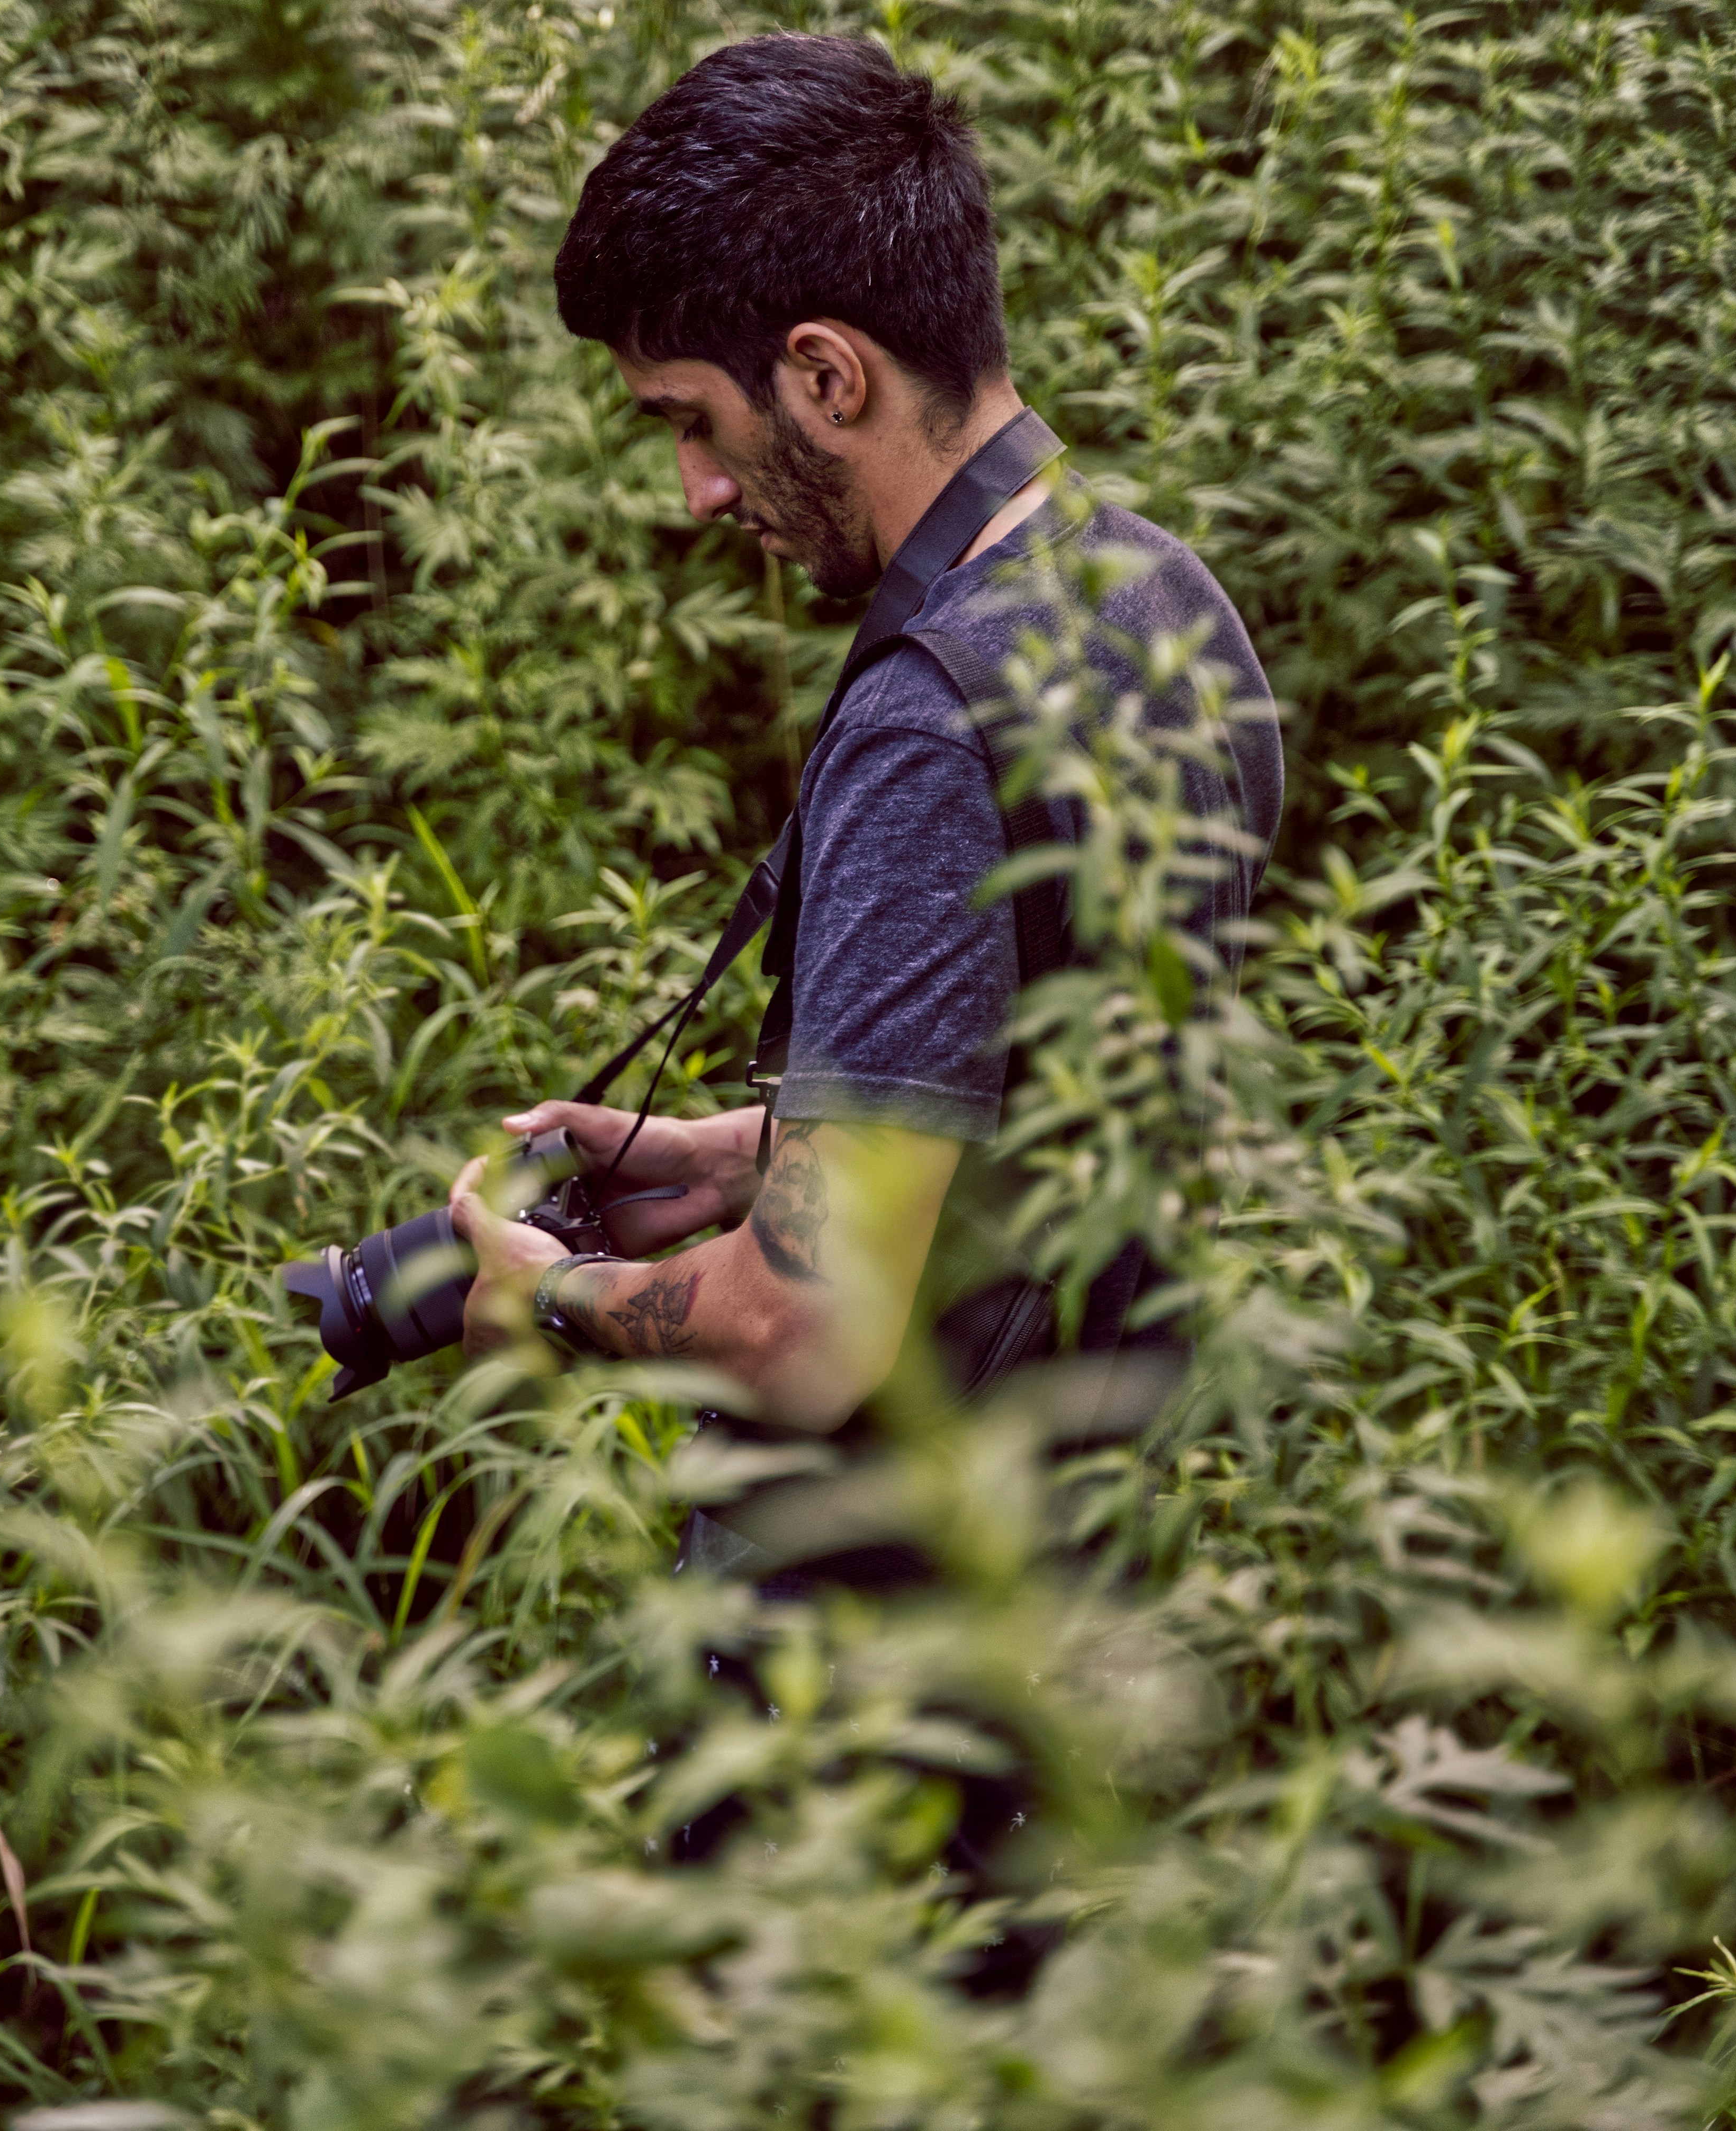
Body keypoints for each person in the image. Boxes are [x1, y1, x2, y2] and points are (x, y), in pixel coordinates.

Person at [445, 32, 1283, 1583]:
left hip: (867, 1683)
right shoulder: (1163, 597)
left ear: (828, 373)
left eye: (690, 417)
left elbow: (804, 1331)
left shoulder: (932, 721)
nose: (696, 489)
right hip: (1078, 1581)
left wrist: (537, 1296)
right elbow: (1055, 1115)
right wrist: (742, 1154)